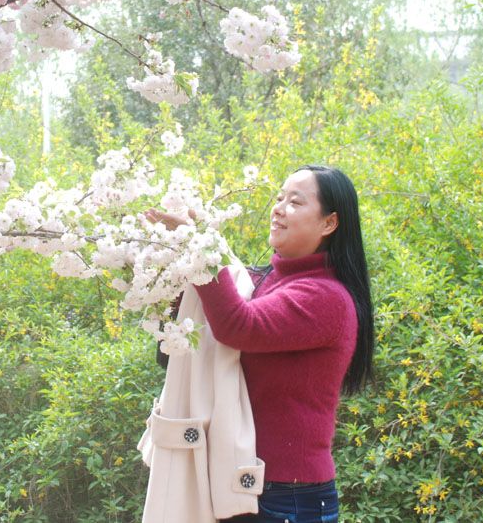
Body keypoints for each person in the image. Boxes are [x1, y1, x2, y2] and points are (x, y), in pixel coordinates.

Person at [145, 164, 374, 523]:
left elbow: (238, 325)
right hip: (239, 479)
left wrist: (200, 244)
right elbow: (184, 352)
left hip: (287, 495)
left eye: (295, 202)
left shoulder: (327, 298)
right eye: (279, 197)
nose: (279, 208)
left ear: (329, 223)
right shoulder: (261, 282)